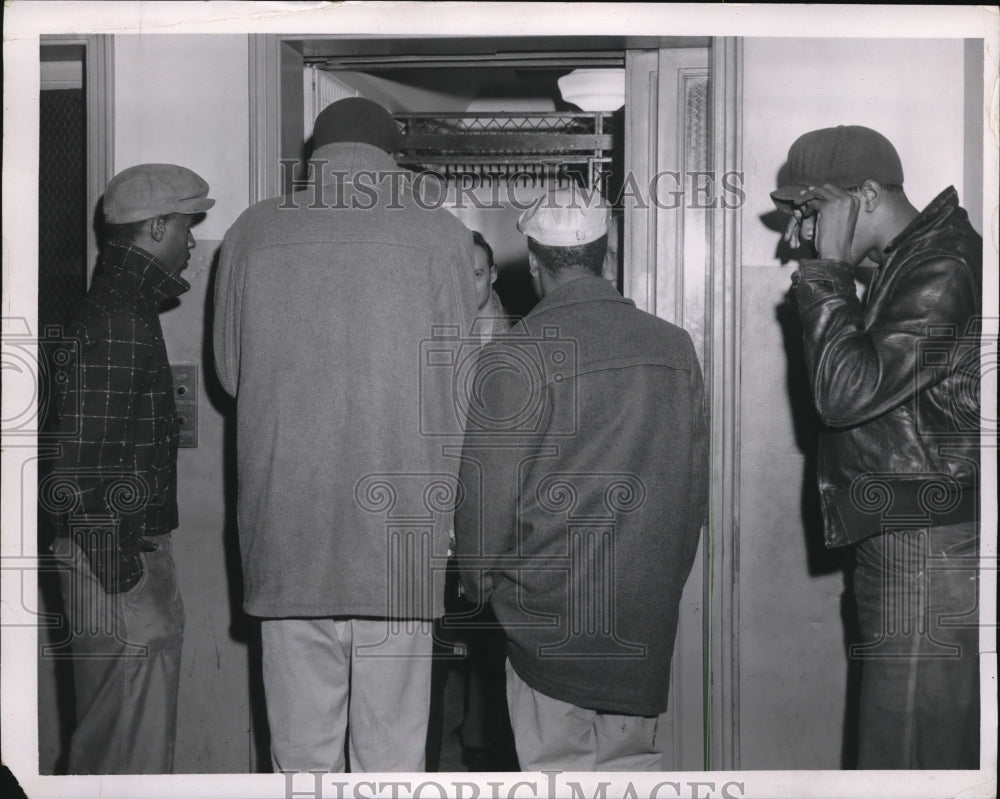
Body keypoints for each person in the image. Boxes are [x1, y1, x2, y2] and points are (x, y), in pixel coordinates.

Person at [213, 97, 478, 773]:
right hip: (397, 545)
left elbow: (229, 373)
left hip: (289, 537)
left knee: (301, 758)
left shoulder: (252, 231)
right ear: (392, 159)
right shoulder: (441, 235)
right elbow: (461, 389)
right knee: (392, 757)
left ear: (316, 157)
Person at [454, 186, 709, 771]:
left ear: (534, 262)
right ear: (606, 252)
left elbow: (486, 499)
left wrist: (478, 583)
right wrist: (660, 586)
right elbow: (693, 493)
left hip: (545, 622)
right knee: (629, 772)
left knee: (554, 772)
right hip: (640, 616)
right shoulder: (673, 347)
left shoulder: (515, 356)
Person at [774, 125, 981, 769]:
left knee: (906, 756)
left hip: (921, 542)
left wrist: (826, 272)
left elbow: (844, 394)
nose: (802, 232)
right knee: (913, 748)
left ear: (864, 195)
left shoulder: (943, 267)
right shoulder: (915, 262)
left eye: (812, 209)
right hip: (910, 534)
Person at [44, 163, 214, 773]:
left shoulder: (121, 307)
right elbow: (78, 467)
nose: (192, 241)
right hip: (114, 564)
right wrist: (127, 577)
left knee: (116, 751)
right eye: (187, 226)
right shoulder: (119, 318)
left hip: (112, 561)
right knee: (125, 760)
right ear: (157, 227)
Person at [447, 230, 518, 770]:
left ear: (492, 275)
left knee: (496, 635)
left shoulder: (518, 340)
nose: (467, 284)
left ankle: (487, 739)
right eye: (459, 273)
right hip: (447, 500)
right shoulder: (438, 334)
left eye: (476, 273)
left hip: (499, 503)